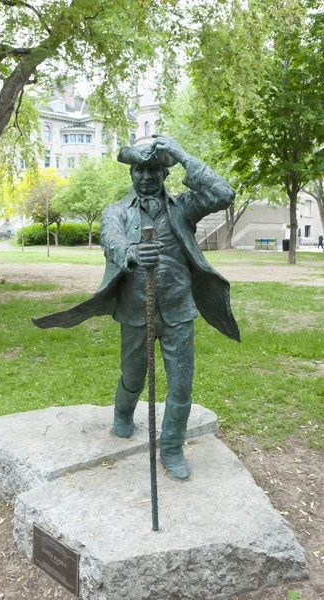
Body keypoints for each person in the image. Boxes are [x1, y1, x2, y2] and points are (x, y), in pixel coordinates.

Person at [32, 134, 240, 481]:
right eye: (139, 170)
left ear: (164, 173)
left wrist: (181, 152)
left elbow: (223, 194)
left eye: (154, 169)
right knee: (133, 376)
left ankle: (171, 447)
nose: (146, 176)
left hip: (178, 308)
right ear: (131, 173)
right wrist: (130, 251)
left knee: (181, 386)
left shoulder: (184, 207)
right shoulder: (115, 211)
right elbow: (111, 240)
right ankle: (123, 413)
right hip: (135, 308)